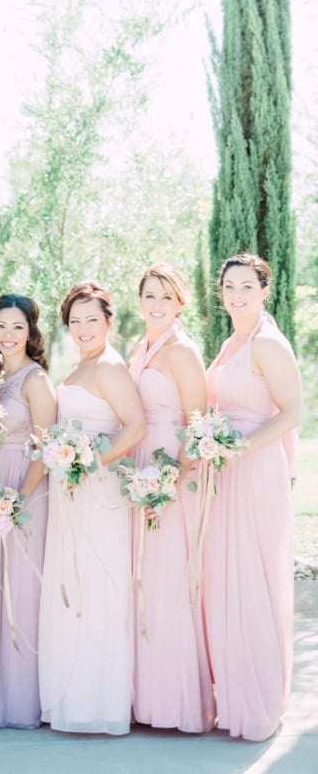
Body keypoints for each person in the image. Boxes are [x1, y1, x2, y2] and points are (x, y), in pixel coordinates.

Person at [39, 281, 145, 735]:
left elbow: (136, 425)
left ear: (108, 321)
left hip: (98, 491)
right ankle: (72, 696)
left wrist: (89, 463)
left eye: (92, 319)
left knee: (99, 586)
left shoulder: (109, 367)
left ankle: (98, 701)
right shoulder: (80, 365)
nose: (83, 328)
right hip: (71, 491)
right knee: (73, 584)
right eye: (75, 321)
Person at [203, 254, 301, 742]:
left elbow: (292, 413)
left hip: (255, 469)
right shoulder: (231, 342)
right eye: (229, 287)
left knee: (254, 580)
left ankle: (259, 701)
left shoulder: (268, 343)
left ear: (265, 289)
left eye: (246, 285)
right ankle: (234, 696)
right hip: (226, 470)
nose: (236, 294)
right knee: (227, 580)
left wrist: (240, 447)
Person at [129, 264, 215, 733]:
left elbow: (196, 424)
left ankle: (176, 703)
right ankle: (146, 698)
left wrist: (168, 484)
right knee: (143, 581)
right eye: (149, 295)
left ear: (180, 302)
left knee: (168, 584)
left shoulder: (182, 352)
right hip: (141, 469)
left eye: (166, 297)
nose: (157, 304)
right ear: (139, 300)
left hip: (170, 475)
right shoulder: (140, 348)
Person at [0, 293, 56, 729]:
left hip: (24, 489)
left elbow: (45, 449)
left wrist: (16, 501)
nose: (8, 335)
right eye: (1, 326)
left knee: (21, 589)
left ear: (31, 332)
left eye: (18, 327)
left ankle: (22, 699)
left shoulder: (34, 379)